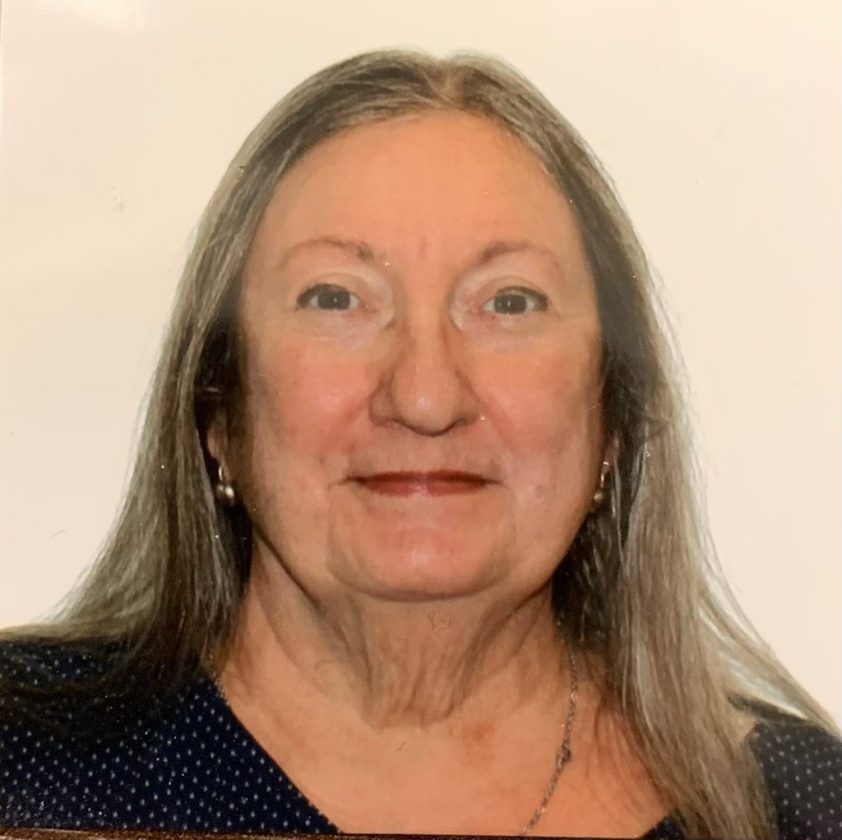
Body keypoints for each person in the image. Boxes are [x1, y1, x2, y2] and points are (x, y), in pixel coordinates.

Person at [1, 49, 839, 840]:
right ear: (219, 409)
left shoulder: (800, 810)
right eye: (336, 298)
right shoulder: (20, 760)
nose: (426, 397)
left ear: (611, 416)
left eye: (509, 302)